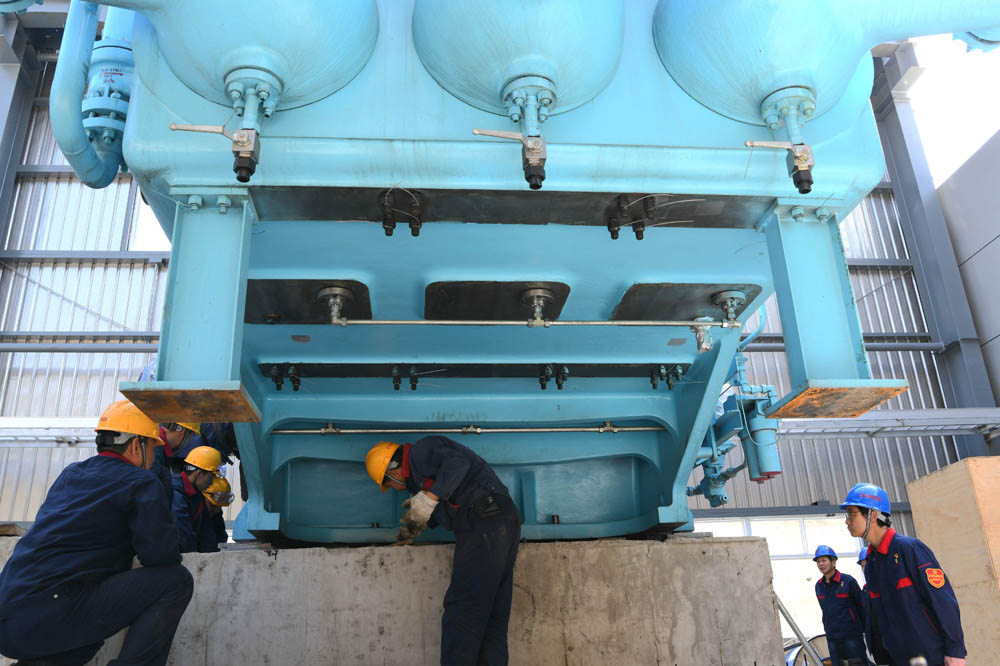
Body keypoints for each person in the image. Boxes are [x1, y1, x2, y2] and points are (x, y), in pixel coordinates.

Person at [0, 400, 192, 665]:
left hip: (9, 621)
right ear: (136, 446)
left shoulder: (71, 474)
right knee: (176, 580)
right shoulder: (140, 481)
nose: (152, 459)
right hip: (51, 613)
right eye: (151, 447)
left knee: (88, 633)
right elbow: (160, 556)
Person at [365, 436, 520, 666]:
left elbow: (458, 464)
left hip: (483, 519)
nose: (394, 488)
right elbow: (448, 502)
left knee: (462, 611)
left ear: (393, 472)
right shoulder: (423, 479)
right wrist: (417, 522)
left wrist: (430, 498)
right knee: (493, 615)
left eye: (389, 484)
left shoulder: (420, 452)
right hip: (501, 519)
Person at [841, 483, 966, 666]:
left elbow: (942, 601)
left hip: (931, 657)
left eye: (852, 514)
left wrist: (955, 651)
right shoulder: (871, 563)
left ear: (873, 515)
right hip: (897, 658)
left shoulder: (909, 549)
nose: (847, 521)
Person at [812, 545, 868, 666]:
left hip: (852, 637)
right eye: (818, 561)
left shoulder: (848, 581)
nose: (821, 564)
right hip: (832, 638)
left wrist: (863, 630)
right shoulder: (818, 586)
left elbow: (862, 607)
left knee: (857, 664)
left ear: (833, 561)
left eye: (824, 560)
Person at [171, 446, 222, 553]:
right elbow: (183, 535)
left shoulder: (197, 496)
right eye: (211, 477)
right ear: (198, 473)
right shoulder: (175, 494)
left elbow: (206, 533)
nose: (211, 483)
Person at [858, 547, 894, 666]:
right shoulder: (865, 590)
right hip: (876, 643)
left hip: (894, 641)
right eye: (862, 566)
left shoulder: (890, 586)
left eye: (867, 565)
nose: (865, 569)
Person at [198, 476, 233, 553]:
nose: (217, 509)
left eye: (219, 506)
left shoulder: (216, 515)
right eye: (213, 505)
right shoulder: (196, 515)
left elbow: (221, 538)